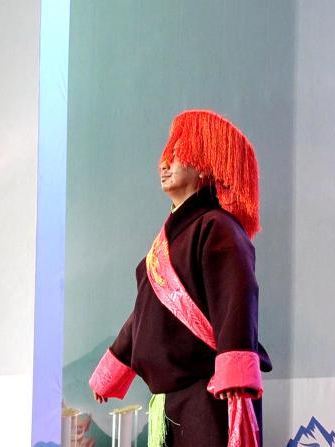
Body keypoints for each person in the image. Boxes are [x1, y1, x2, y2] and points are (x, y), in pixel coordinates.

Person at [89, 109, 271, 447]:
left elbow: (237, 297)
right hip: (172, 398)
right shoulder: (166, 242)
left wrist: (234, 372)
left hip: (210, 392)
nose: (164, 164)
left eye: (176, 155)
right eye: (165, 155)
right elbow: (144, 313)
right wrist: (112, 370)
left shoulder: (218, 226)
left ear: (203, 167)